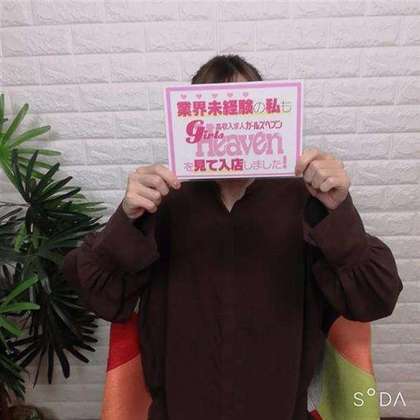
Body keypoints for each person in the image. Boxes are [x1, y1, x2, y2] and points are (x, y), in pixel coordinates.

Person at [62, 54, 403, 420]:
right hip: (180, 407)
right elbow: (100, 295)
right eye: (216, 111)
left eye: (243, 110)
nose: (230, 129)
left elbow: (374, 299)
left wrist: (338, 212)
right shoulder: (165, 200)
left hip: (278, 405)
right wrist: (127, 218)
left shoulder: (302, 200)